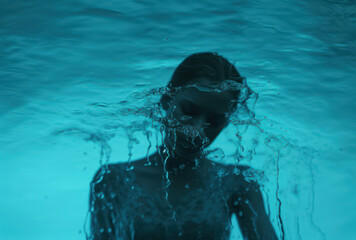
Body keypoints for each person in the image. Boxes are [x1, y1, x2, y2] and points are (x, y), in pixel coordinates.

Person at [89, 52, 278, 240]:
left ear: (225, 125)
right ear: (166, 100)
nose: (195, 132)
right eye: (188, 111)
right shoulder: (111, 181)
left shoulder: (241, 184)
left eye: (213, 121)